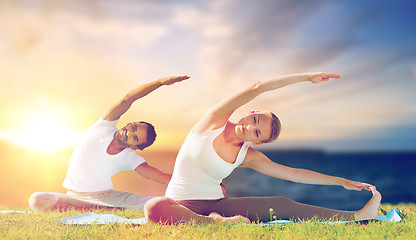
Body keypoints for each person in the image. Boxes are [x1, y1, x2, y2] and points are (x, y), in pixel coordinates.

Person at [144, 72, 382, 224]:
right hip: (178, 204)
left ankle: (358, 217)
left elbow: (294, 174)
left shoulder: (248, 155)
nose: (249, 128)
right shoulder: (212, 122)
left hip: (216, 204)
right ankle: (216, 223)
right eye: (254, 120)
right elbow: (257, 86)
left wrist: (340, 181)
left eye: (257, 133)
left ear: (257, 142)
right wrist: (307, 77)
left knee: (282, 204)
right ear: (252, 112)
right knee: (154, 206)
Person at [29, 76, 189, 211]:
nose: (129, 133)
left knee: (161, 204)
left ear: (135, 147)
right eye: (133, 128)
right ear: (129, 123)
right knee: (36, 199)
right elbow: (128, 98)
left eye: (135, 137)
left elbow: (159, 176)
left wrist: (197, 182)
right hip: (74, 196)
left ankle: (94, 208)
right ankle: (85, 207)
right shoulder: (104, 126)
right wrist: (160, 82)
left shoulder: (129, 157)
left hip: (109, 198)